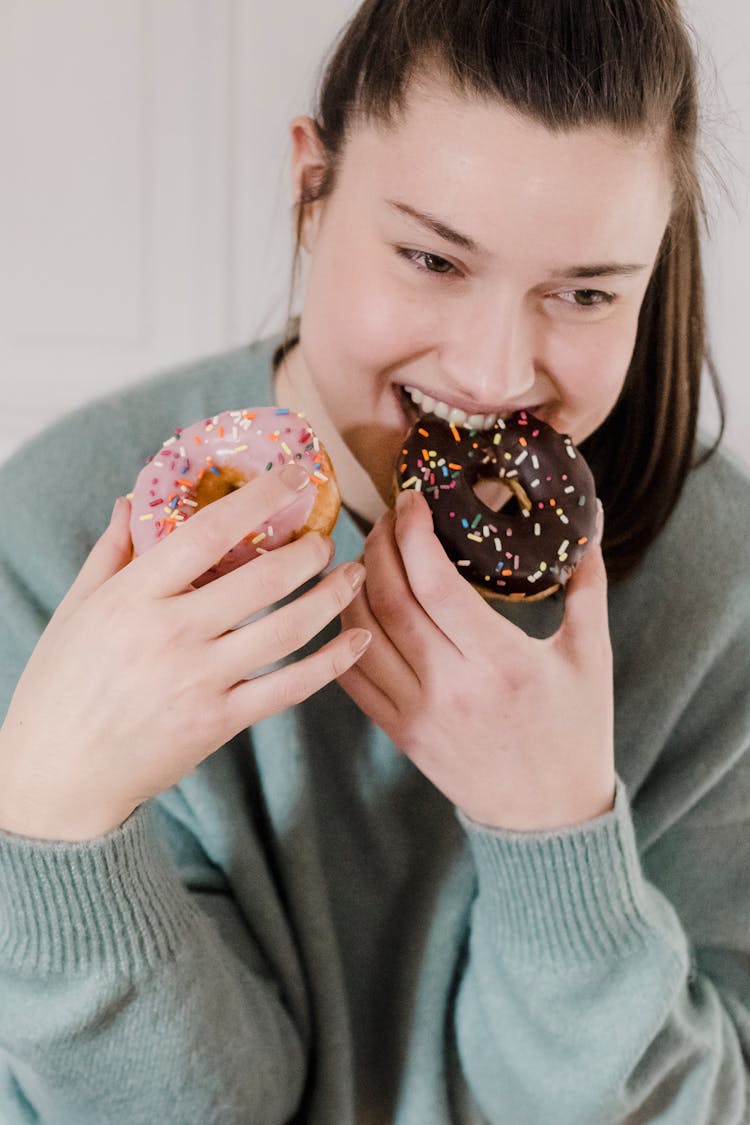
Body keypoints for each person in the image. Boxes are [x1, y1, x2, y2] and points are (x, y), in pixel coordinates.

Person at [0, 0, 748, 1120]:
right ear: (313, 190)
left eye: (586, 292)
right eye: (434, 258)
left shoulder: (720, 588)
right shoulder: (62, 535)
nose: (497, 373)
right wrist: (55, 833)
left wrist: (556, 832)